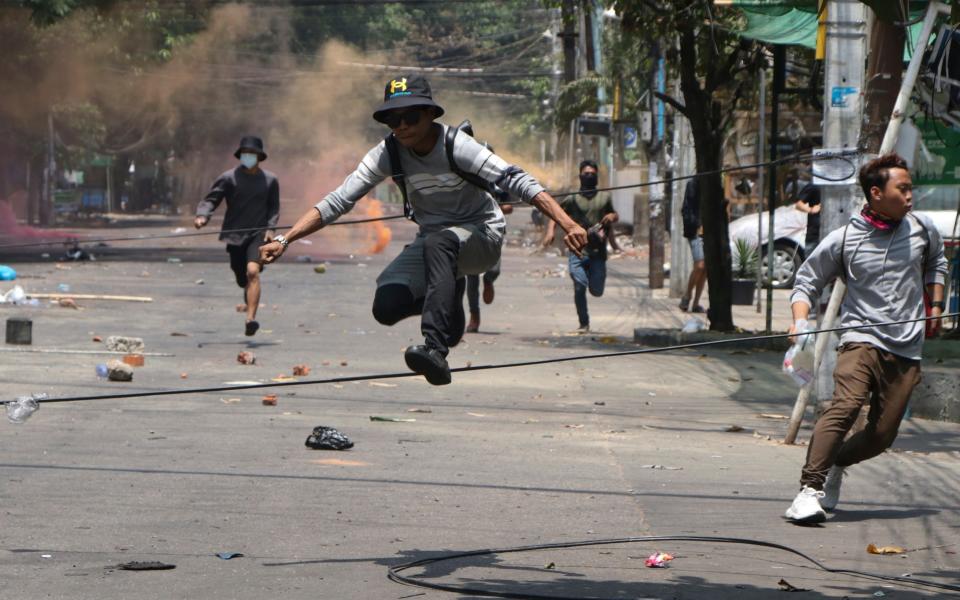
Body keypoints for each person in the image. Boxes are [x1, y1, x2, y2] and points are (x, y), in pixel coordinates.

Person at [260, 75, 586, 385]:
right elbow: (339, 199)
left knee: (440, 243)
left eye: (411, 117)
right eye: (393, 120)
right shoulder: (388, 153)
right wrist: (285, 238)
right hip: (434, 241)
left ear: (430, 113)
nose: (402, 126)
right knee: (386, 307)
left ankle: (436, 351)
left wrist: (567, 223)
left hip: (481, 236)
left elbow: (518, 179)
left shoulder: (456, 145)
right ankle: (449, 300)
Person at [783, 154, 947, 524]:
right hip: (860, 337)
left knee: (882, 434)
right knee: (845, 405)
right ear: (876, 193)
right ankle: (809, 491)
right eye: (902, 189)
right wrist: (800, 320)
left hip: (906, 345)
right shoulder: (844, 239)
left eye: (911, 188)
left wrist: (935, 304)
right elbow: (806, 281)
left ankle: (838, 461)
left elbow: (937, 261)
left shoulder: (922, 228)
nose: (910, 196)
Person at [195, 136, 279, 337]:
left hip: (257, 234)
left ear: (259, 157)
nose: (248, 157)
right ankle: (248, 291)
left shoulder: (270, 180)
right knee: (242, 278)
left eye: (252, 154)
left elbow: (273, 207)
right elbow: (212, 199)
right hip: (234, 235)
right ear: (240, 156)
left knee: (253, 272)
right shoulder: (228, 178)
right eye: (245, 153)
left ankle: (250, 319)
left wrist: (271, 229)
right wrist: (202, 216)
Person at [543, 160, 618, 333]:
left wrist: (612, 217)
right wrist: (550, 232)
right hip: (578, 251)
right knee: (579, 286)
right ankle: (584, 323)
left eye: (592, 173)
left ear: (597, 176)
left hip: (598, 252)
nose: (589, 176)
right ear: (580, 176)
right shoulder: (572, 199)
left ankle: (593, 281)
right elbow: (555, 214)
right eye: (586, 173)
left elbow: (614, 215)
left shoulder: (604, 198)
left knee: (597, 291)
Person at [465, 203, 510, 333]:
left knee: (494, 270)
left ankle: (488, 280)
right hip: (470, 231)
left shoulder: (495, 185)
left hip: (493, 231)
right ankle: (474, 315)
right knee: (472, 275)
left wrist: (493, 209)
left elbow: (509, 207)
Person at [679, 177, 706, 313]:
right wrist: (695, 225)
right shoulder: (693, 184)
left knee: (705, 269)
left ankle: (696, 303)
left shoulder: (715, 185)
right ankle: (687, 295)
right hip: (696, 231)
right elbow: (687, 209)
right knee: (699, 265)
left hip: (711, 233)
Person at [794, 179, 821, 259]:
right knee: (811, 263)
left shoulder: (839, 185)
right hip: (814, 234)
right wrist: (810, 210)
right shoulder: (815, 185)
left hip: (833, 233)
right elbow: (798, 204)